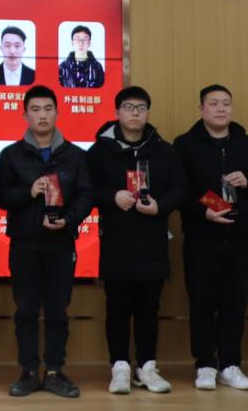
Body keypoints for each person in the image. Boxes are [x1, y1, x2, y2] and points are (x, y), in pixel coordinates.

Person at [0, 86, 93, 399]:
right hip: (24, 243)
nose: (42, 115)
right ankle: (28, 371)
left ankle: (54, 371)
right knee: (25, 310)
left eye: (48, 109)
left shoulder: (75, 156)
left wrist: (70, 219)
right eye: (35, 109)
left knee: (57, 311)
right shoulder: (11, 155)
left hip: (60, 243)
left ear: (57, 113)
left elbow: (86, 195)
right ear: (25, 114)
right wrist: (28, 192)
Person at [87, 86, 185, 396]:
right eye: (128, 107)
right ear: (117, 112)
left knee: (149, 308)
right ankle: (119, 368)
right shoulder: (99, 151)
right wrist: (112, 197)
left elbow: (180, 189)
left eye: (141, 108)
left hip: (152, 241)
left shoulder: (164, 150)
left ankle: (147, 367)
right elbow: (87, 190)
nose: (135, 113)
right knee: (117, 307)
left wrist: (160, 206)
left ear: (147, 113)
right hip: (116, 241)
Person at [172, 84, 248, 391]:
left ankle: (230, 365)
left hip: (239, 239)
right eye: (213, 103)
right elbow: (178, 192)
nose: (221, 108)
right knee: (201, 304)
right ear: (202, 109)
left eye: (226, 103)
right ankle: (204, 365)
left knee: (234, 304)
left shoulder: (247, 144)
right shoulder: (185, 145)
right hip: (201, 238)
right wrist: (204, 213)